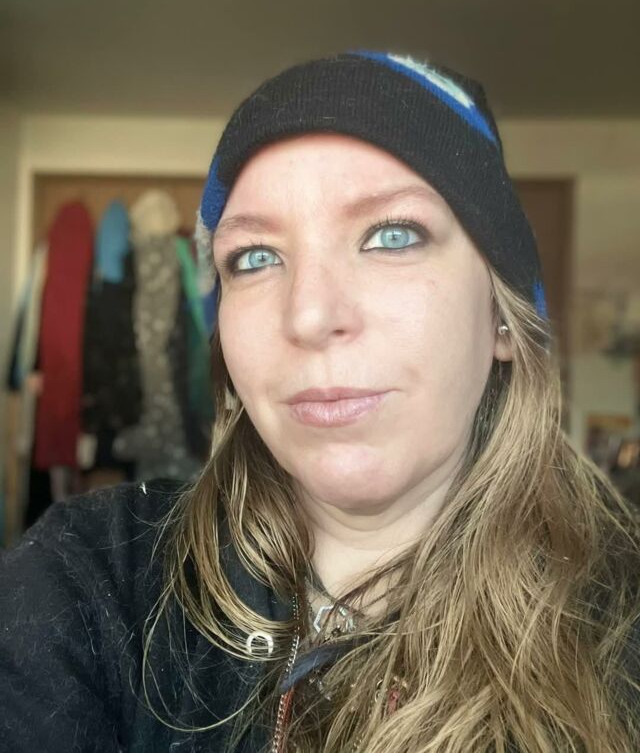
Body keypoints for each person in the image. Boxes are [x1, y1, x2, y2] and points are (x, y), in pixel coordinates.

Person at [2, 50, 640, 753]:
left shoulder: (623, 626)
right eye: (255, 257)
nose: (308, 315)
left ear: (503, 316)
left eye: (392, 235)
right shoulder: (89, 580)